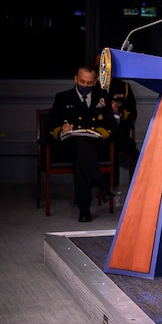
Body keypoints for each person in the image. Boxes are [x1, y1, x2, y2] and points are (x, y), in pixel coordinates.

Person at [49, 64, 118, 222]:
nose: (85, 86)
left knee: (82, 154)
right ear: (75, 79)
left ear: (94, 82)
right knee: (80, 146)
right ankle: (102, 185)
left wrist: (98, 133)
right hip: (68, 146)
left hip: (95, 145)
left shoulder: (103, 97)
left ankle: (84, 208)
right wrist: (62, 129)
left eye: (89, 83)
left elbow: (111, 126)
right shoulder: (63, 98)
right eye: (82, 81)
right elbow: (51, 126)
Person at [95, 51, 139, 184]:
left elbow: (132, 113)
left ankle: (112, 190)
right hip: (99, 131)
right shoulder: (91, 85)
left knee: (112, 140)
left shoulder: (123, 87)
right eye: (99, 63)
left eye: (105, 63)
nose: (102, 66)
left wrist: (118, 112)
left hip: (119, 130)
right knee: (110, 139)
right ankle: (134, 150)